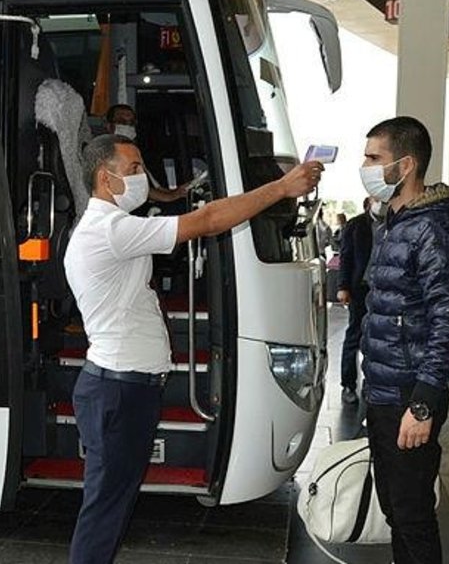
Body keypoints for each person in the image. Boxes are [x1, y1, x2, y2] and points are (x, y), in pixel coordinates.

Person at [64, 134, 323, 564]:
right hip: (118, 391)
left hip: (126, 388)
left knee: (112, 502)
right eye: (132, 170)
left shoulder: (112, 227)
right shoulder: (109, 230)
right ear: (104, 179)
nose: (141, 177)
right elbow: (206, 221)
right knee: (104, 508)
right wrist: (280, 188)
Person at [357, 116, 449, 564]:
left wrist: (422, 402)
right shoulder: (397, 220)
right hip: (385, 389)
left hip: (408, 392)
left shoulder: (432, 228)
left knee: (412, 515)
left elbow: (448, 317)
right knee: (396, 509)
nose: (364, 165)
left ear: (405, 165)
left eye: (373, 158)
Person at [336, 197, 380, 404]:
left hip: (385, 291)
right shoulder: (356, 225)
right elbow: (346, 257)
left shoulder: (395, 223)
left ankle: (375, 384)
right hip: (360, 289)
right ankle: (348, 385)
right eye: (377, 200)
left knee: (380, 339)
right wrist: (343, 287)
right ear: (369, 203)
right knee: (354, 335)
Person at [103, 104, 188, 203]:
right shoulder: (106, 153)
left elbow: (155, 186)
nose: (127, 126)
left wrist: (178, 191)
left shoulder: (132, 152)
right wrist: (171, 196)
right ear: (109, 126)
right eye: (122, 122)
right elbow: (134, 187)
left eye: (131, 123)